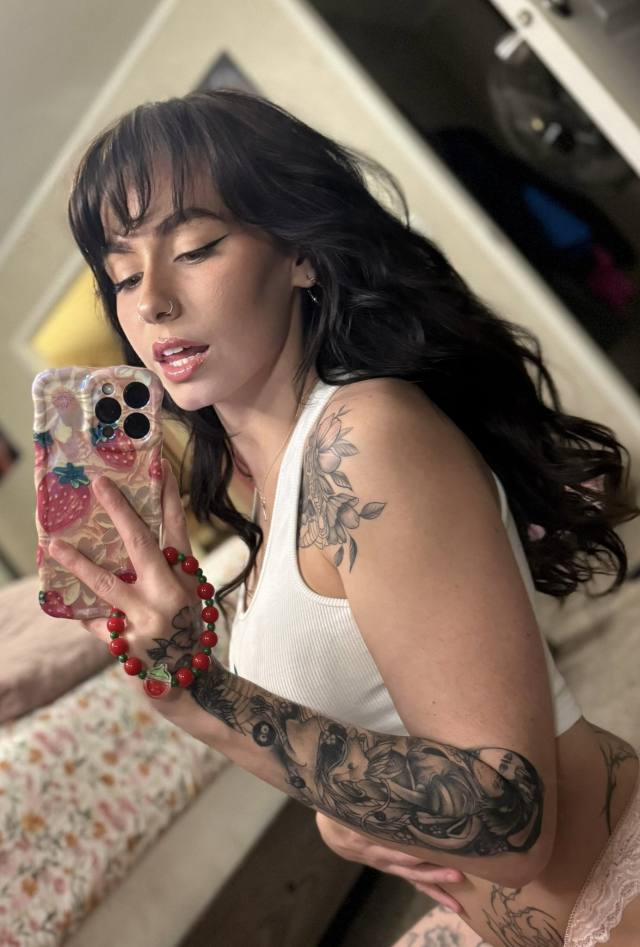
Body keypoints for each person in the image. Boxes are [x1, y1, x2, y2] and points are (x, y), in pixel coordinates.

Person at [49, 88, 640, 945]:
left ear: (300, 255)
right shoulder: (272, 491)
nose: (153, 302)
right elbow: (365, 738)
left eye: (195, 248)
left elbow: (509, 822)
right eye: (125, 275)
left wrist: (202, 687)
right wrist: (332, 810)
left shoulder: (363, 438)